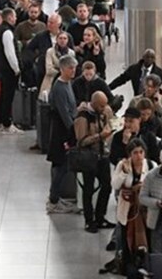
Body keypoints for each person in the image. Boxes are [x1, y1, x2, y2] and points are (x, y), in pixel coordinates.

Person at [111, 139, 153, 279]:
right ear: (129, 154)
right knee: (127, 243)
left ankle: (146, 272)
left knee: (146, 242)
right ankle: (130, 274)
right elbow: (115, 185)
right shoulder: (123, 165)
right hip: (127, 212)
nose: (139, 156)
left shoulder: (151, 166)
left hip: (145, 212)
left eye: (141, 152)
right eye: (135, 153)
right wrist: (123, 173)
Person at [74, 91, 114, 233]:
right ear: (95, 104)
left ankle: (100, 216)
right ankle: (89, 220)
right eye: (102, 106)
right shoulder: (83, 117)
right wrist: (100, 136)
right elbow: (81, 140)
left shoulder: (103, 112)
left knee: (107, 186)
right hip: (89, 157)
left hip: (103, 156)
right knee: (88, 189)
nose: (105, 109)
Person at [46, 55, 80, 215]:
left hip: (65, 131)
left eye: (74, 68)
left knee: (62, 166)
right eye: (70, 68)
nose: (73, 71)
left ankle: (56, 197)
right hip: (61, 133)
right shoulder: (59, 87)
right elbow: (64, 113)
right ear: (62, 69)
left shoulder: (68, 84)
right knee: (60, 166)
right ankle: (53, 201)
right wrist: (72, 133)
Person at [0, 8, 22, 134]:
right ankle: (7, 124)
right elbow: (10, 53)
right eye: (14, 17)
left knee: (2, 95)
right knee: (8, 97)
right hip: (8, 70)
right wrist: (17, 69)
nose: (15, 19)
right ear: (9, 18)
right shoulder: (7, 32)